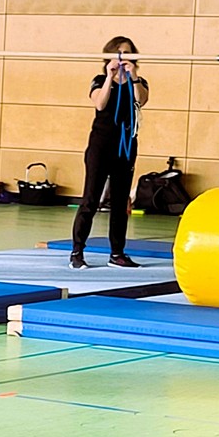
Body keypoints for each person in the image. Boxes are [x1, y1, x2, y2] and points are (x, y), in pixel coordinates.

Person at [70, 36, 150, 269]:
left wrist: (133, 76)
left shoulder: (139, 82)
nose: (123, 58)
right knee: (90, 199)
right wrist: (109, 77)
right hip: (100, 146)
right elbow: (100, 103)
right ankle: (77, 251)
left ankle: (117, 253)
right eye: (119, 53)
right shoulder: (98, 80)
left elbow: (141, 100)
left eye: (128, 53)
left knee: (120, 202)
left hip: (126, 147)